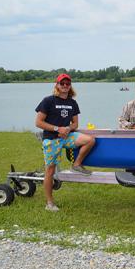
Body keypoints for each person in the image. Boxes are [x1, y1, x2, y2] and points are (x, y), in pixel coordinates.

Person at [35, 73, 95, 212]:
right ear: (57, 85)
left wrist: (68, 128)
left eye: (67, 84)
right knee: (50, 170)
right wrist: (57, 128)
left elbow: (75, 123)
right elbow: (38, 122)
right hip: (51, 139)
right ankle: (49, 203)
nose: (65, 86)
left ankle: (76, 164)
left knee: (89, 140)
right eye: (62, 83)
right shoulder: (48, 101)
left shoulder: (72, 102)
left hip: (66, 137)